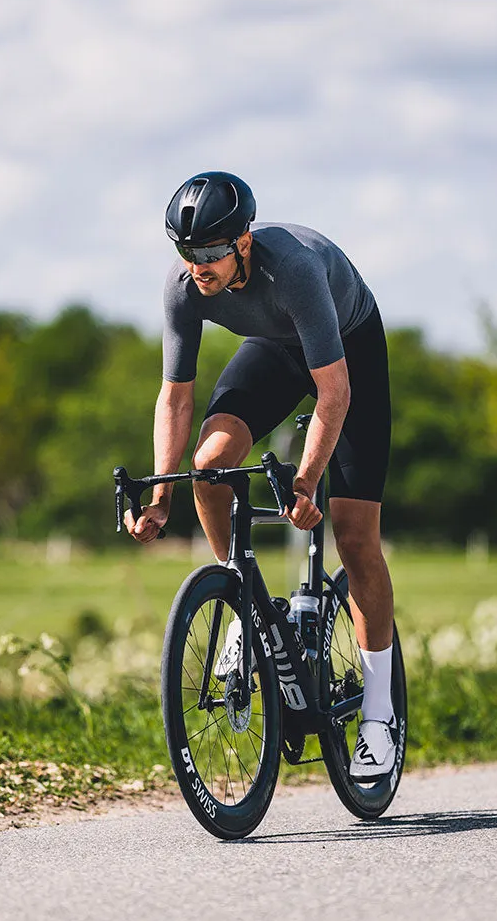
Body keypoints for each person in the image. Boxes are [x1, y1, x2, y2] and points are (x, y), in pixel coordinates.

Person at [125, 171, 396, 781]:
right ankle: (240, 598)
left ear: (243, 241)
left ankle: (378, 718)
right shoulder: (183, 286)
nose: (199, 266)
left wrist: (306, 482)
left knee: (355, 538)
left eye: (212, 253)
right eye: (187, 253)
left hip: (346, 349)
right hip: (276, 348)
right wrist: (162, 495)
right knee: (209, 466)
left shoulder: (291, 269)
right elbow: (175, 398)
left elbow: (335, 391)